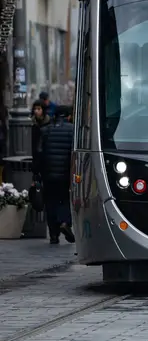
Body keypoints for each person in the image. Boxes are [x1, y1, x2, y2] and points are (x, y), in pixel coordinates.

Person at [34, 105, 75, 244]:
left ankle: (53, 235)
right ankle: (65, 222)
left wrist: (36, 173)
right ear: (68, 116)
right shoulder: (72, 130)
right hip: (65, 174)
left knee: (50, 202)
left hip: (48, 174)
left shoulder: (45, 130)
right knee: (64, 199)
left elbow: (38, 153)